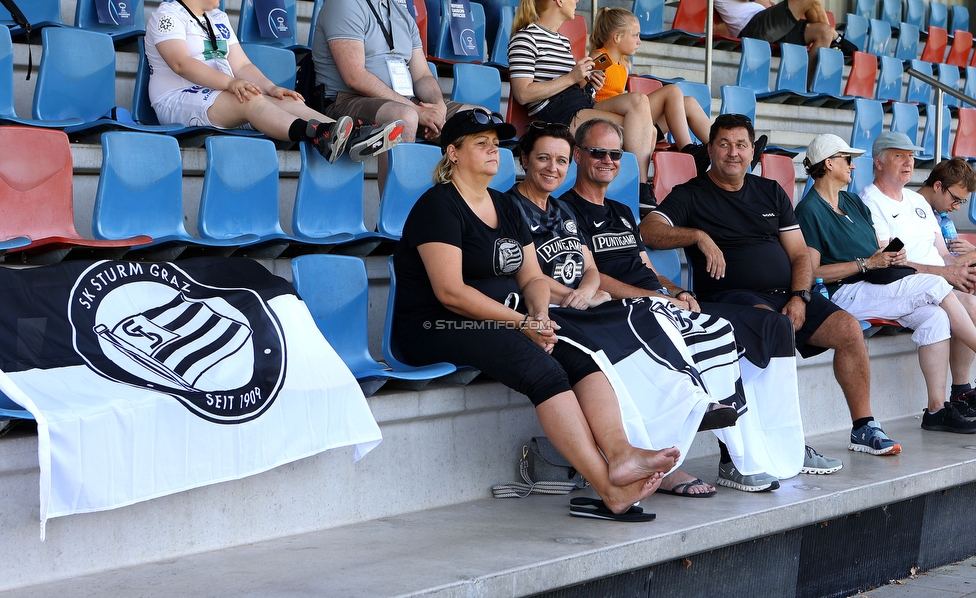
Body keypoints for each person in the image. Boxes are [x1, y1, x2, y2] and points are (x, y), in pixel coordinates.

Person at [391, 108, 680, 515]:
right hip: (436, 325)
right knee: (543, 369)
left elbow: (531, 279)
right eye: (481, 144)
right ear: (452, 153)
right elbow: (451, 292)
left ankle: (620, 454)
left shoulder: (504, 206)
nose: (494, 151)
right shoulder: (438, 206)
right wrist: (524, 322)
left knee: (581, 354)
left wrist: (540, 317)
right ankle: (609, 489)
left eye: (496, 144)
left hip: (504, 321)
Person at [561, 118, 822, 491]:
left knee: (752, 328)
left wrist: (675, 292)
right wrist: (656, 297)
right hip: (624, 309)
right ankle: (703, 457)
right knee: (718, 335)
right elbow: (591, 276)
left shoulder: (620, 211)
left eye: (615, 154)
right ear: (578, 155)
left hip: (657, 303)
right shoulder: (566, 211)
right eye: (597, 152)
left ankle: (765, 445)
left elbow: (646, 269)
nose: (607, 160)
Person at [506, 121, 752, 497]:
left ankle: (719, 435)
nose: (552, 167)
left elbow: (590, 268)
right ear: (523, 159)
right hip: (551, 309)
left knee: (716, 328)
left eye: (559, 159)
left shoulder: (562, 211)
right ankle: (676, 429)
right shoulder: (510, 208)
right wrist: (583, 295)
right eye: (543, 158)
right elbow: (530, 277)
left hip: (585, 303)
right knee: (630, 338)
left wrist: (590, 290)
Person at [641, 113, 901, 457]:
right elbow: (649, 230)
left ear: (752, 152)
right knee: (772, 328)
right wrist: (698, 235)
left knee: (848, 329)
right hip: (728, 298)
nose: (733, 152)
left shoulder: (770, 191)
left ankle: (864, 427)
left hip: (785, 294)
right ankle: (786, 441)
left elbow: (799, 256)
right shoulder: (691, 194)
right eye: (724, 144)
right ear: (710, 149)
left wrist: (800, 296)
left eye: (741, 145)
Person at [797, 134, 976, 433]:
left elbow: (875, 249)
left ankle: (936, 411)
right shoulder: (810, 209)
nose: (854, 167)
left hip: (877, 283)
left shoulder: (852, 202)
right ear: (828, 164)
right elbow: (812, 270)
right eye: (848, 160)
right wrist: (867, 263)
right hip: (845, 292)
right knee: (934, 286)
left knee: (935, 317)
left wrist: (888, 257)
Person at [145, 0, 405, 162]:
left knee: (285, 102)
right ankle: (316, 134)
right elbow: (180, 63)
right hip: (177, 99)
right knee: (251, 100)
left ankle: (351, 135)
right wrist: (229, 83)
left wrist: (272, 88)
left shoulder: (218, 19)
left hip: (219, 96)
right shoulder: (168, 15)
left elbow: (243, 65)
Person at [860, 139, 976, 420]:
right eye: (899, 156)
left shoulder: (917, 201)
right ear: (878, 162)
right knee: (966, 302)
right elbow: (890, 263)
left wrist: (966, 266)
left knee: (969, 288)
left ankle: (959, 391)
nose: (908, 162)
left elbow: (943, 256)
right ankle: (959, 391)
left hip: (937, 282)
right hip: (906, 283)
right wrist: (946, 274)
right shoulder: (869, 201)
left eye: (911, 156)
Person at [507, 0, 659, 209]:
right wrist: (572, 78)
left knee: (645, 122)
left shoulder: (562, 40)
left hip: (580, 104)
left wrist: (590, 82)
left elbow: (571, 82)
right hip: (557, 115)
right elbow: (522, 93)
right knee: (639, 130)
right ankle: (637, 188)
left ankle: (639, 187)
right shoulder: (525, 37)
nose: (577, 1)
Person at [587, 8, 765, 176]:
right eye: (635, 35)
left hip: (630, 122)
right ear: (617, 37)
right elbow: (582, 81)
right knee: (672, 90)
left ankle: (721, 145)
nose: (639, 41)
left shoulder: (624, 64)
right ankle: (688, 149)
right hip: (605, 119)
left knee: (689, 103)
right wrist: (589, 76)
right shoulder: (602, 57)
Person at [311, 0, 477, 144]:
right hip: (348, 100)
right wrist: (417, 111)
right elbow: (355, 77)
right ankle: (400, 181)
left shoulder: (401, 12)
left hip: (406, 101)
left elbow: (422, 75)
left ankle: (450, 181)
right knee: (405, 118)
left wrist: (438, 107)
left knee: (477, 118)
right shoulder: (344, 4)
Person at [713, 0, 842, 86]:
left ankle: (805, 87)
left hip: (767, 24)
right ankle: (837, 41)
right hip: (751, 27)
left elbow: (767, 7)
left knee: (824, 32)